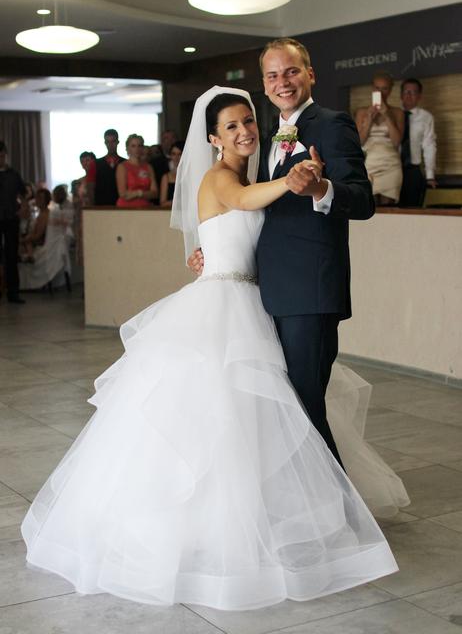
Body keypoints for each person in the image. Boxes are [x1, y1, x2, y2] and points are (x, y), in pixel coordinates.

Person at [22, 87, 400, 610]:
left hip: (255, 300)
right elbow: (244, 203)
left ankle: (272, 513)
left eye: (248, 121)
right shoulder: (222, 178)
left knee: (263, 417)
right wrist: (294, 179)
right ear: (213, 138)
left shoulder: (248, 174)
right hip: (222, 306)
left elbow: (259, 232)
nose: (245, 131)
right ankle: (215, 526)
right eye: (231, 126)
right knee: (217, 419)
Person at [189, 39, 374, 467]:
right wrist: (214, 249)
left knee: (304, 406)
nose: (282, 82)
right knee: (281, 409)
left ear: (310, 74)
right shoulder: (264, 145)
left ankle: (338, 505)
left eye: (291, 71)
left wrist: (321, 188)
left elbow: (363, 201)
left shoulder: (332, 124)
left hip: (309, 291)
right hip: (267, 298)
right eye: (272, 75)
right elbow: (256, 213)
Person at [355, 71, 405, 206]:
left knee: (388, 207)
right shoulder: (362, 112)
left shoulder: (397, 112)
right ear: (372, 89)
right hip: (369, 164)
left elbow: (396, 142)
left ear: (390, 90)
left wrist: (387, 115)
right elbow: (359, 142)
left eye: (385, 89)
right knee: (369, 205)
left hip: (391, 165)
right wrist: (369, 119)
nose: (381, 93)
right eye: (377, 88)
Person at [399, 78, 437, 207]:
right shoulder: (392, 114)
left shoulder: (426, 117)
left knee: (412, 208)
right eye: (406, 91)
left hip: (412, 171)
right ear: (401, 95)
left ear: (419, 96)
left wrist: (430, 175)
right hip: (392, 168)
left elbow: (429, 146)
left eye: (413, 92)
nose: (409, 95)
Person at [0, 141, 26, 303]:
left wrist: (23, 207)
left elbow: (24, 193)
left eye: (2, 155)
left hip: (11, 218)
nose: (1, 158)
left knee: (11, 255)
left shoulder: (13, 174)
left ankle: (13, 292)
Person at [116, 134, 158, 208]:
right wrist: (144, 193)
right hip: (126, 207)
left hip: (145, 207)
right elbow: (123, 194)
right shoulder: (122, 167)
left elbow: (155, 193)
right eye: (133, 146)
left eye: (139, 146)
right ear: (127, 148)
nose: (137, 149)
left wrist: (138, 193)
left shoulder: (148, 167)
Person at [87, 129, 125, 206]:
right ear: (105, 143)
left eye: (113, 141)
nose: (110, 145)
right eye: (108, 142)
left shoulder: (125, 164)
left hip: (122, 206)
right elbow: (90, 188)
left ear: (117, 142)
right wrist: (93, 207)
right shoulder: (94, 164)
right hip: (101, 206)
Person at [159, 140, 184, 206]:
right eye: (173, 154)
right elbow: (162, 203)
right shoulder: (166, 177)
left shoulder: (191, 176)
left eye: (179, 154)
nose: (176, 157)